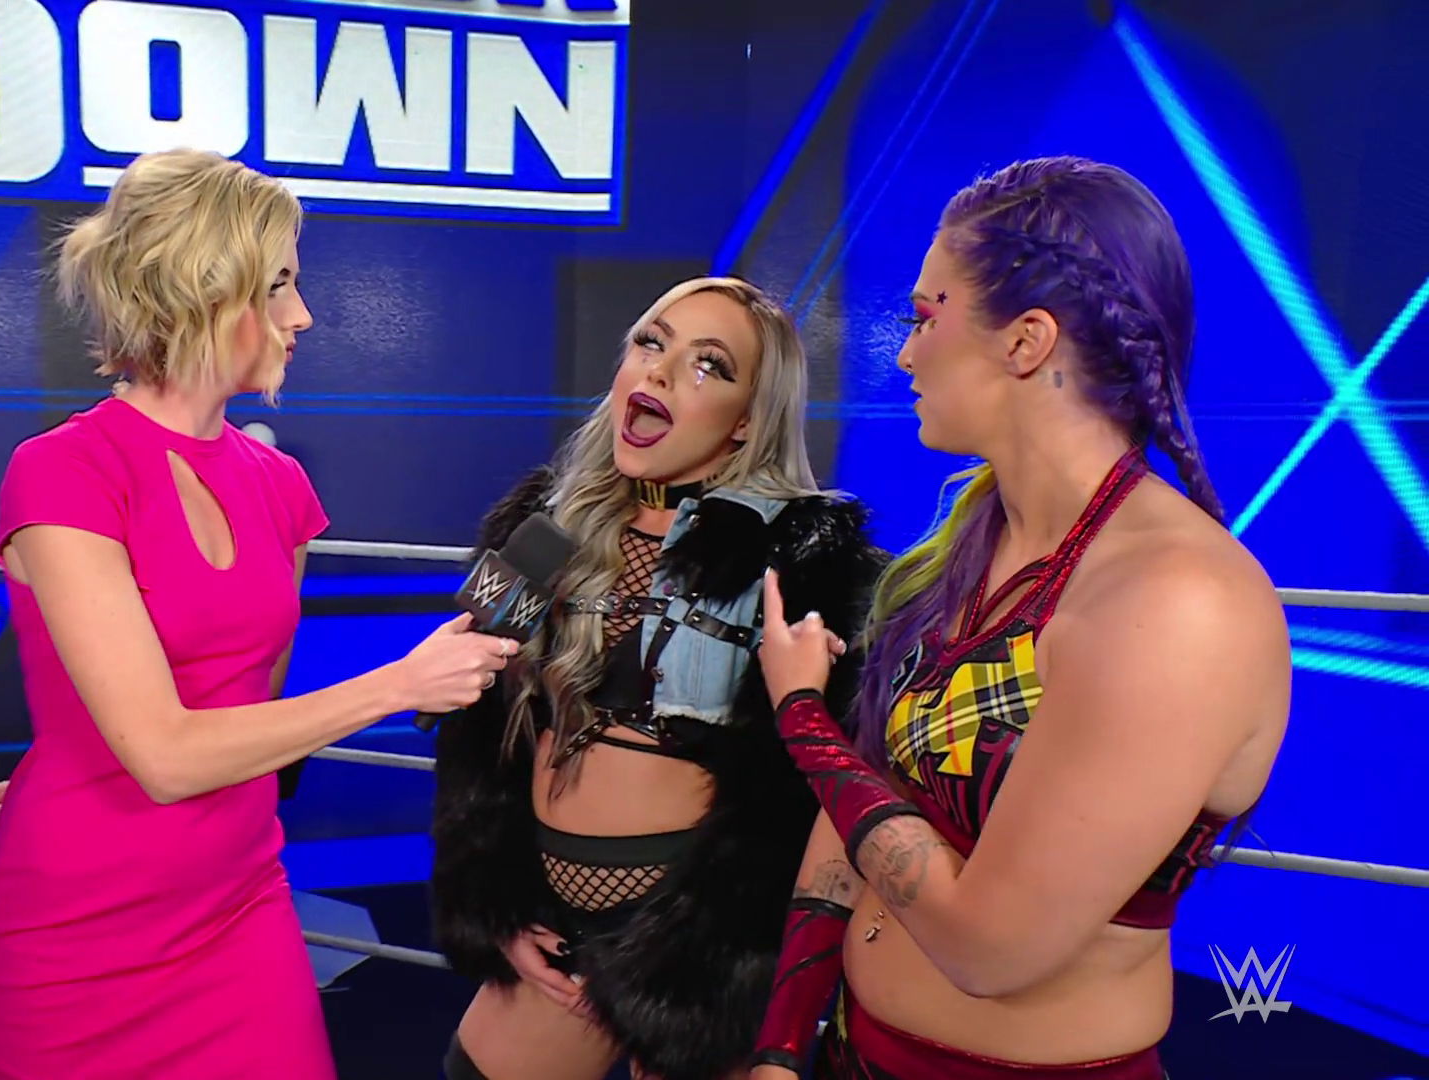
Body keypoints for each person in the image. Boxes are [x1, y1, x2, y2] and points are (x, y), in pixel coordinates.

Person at [0, 148, 518, 1080]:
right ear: (200, 292)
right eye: (279, 285)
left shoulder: (281, 486)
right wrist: (400, 685)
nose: (303, 316)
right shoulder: (63, 470)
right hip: (76, 940)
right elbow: (167, 755)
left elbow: (249, 716)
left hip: (239, 906)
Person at [748, 156, 1291, 1079]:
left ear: (1027, 341)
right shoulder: (973, 537)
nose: (906, 354)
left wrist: (801, 714)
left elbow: (987, 948)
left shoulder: (1176, 601)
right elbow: (869, 800)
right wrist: (783, 1044)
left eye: (925, 318)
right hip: (853, 1051)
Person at [430, 277, 889, 1080]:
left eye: (709, 364)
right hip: (555, 932)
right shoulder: (538, 527)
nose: (663, 371)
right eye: (652, 341)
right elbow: (465, 719)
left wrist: (748, 968)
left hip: (697, 956)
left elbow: (813, 788)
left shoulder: (806, 558)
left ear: (747, 420)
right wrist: (496, 905)